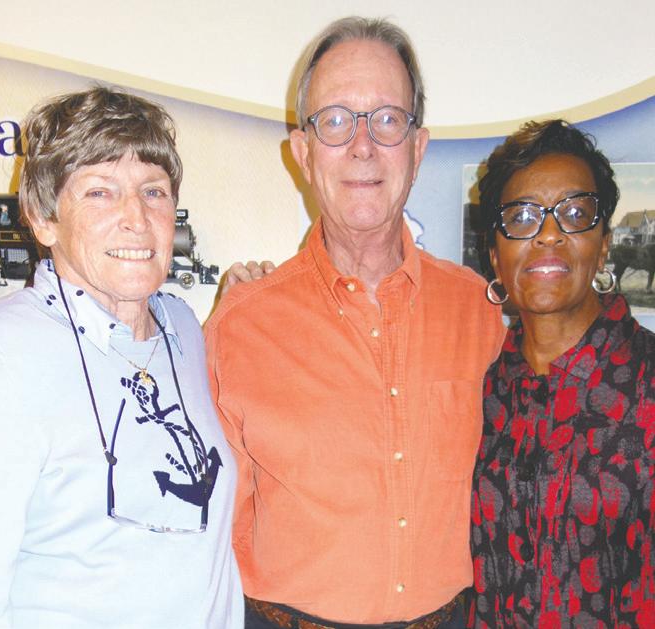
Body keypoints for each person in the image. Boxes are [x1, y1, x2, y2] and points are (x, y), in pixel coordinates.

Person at [206, 17, 505, 628]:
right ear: (303, 152)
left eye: (388, 119)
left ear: (418, 149)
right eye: (336, 120)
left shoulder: (482, 313)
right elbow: (207, 523)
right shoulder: (240, 324)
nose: (363, 145)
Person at [0, 87, 244, 628]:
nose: (136, 218)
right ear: (42, 218)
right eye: (100, 192)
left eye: (153, 191)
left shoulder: (181, 328)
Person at [469, 119, 655, 627]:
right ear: (495, 255)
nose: (549, 234)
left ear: (604, 244)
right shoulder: (485, 391)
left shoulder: (648, 381)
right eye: (522, 217)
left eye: (575, 213)